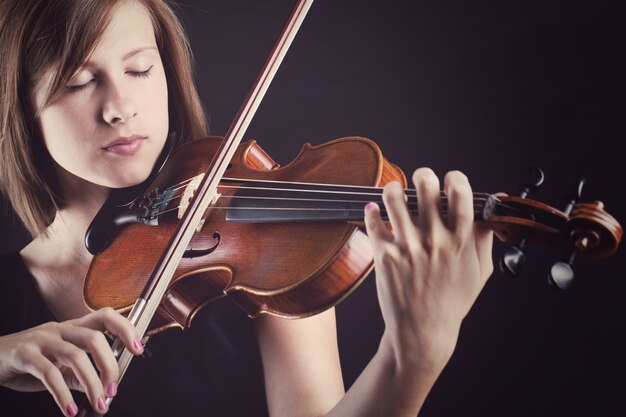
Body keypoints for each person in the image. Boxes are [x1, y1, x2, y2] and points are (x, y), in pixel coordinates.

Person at [0, 1, 494, 416]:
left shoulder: (264, 252)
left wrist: (413, 357)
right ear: (21, 104)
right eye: (80, 81)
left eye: (139, 69)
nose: (120, 107)